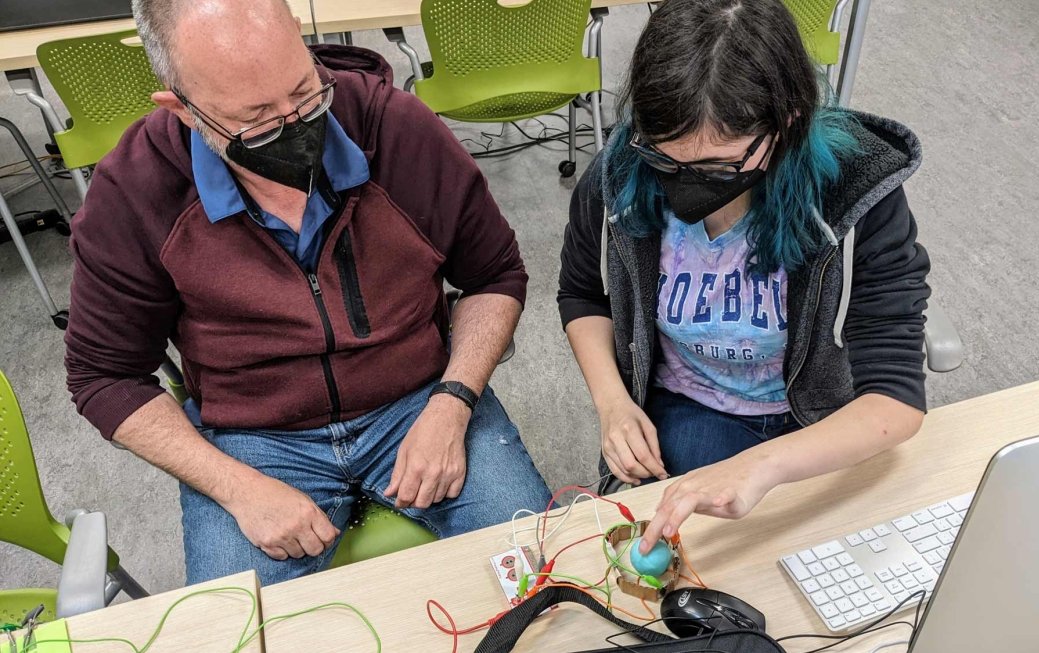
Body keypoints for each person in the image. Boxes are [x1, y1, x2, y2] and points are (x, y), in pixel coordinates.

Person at [64, 0, 551, 585]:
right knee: (241, 634)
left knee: (549, 585)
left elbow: (494, 276)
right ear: (183, 109)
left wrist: (453, 402)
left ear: (298, 37)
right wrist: (237, 487)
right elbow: (104, 378)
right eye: (257, 121)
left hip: (420, 401)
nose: (295, 126)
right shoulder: (134, 191)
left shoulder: (396, 129)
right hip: (254, 440)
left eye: (305, 93)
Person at [557, 0, 931, 552]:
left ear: (789, 123)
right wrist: (614, 403)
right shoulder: (620, 171)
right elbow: (583, 294)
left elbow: (895, 398)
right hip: (691, 411)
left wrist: (761, 467)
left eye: (719, 168)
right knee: (687, 579)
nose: (686, 186)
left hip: (825, 424)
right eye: (667, 160)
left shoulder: (856, 192)